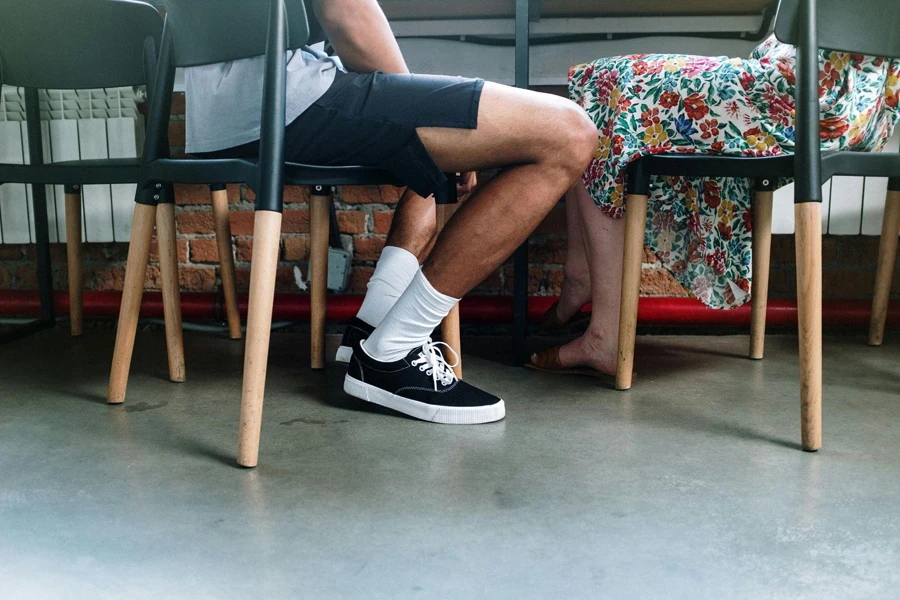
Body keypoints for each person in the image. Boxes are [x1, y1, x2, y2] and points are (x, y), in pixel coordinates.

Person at [182, 0, 598, 424]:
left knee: (441, 144)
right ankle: (393, 350)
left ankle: (374, 325)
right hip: (292, 100)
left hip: (222, 116)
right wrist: (419, 104)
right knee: (569, 132)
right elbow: (348, 16)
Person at [529, 36, 900, 378]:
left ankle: (603, 333)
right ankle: (581, 275)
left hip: (802, 93)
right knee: (600, 85)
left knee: (604, 83)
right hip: (864, 109)